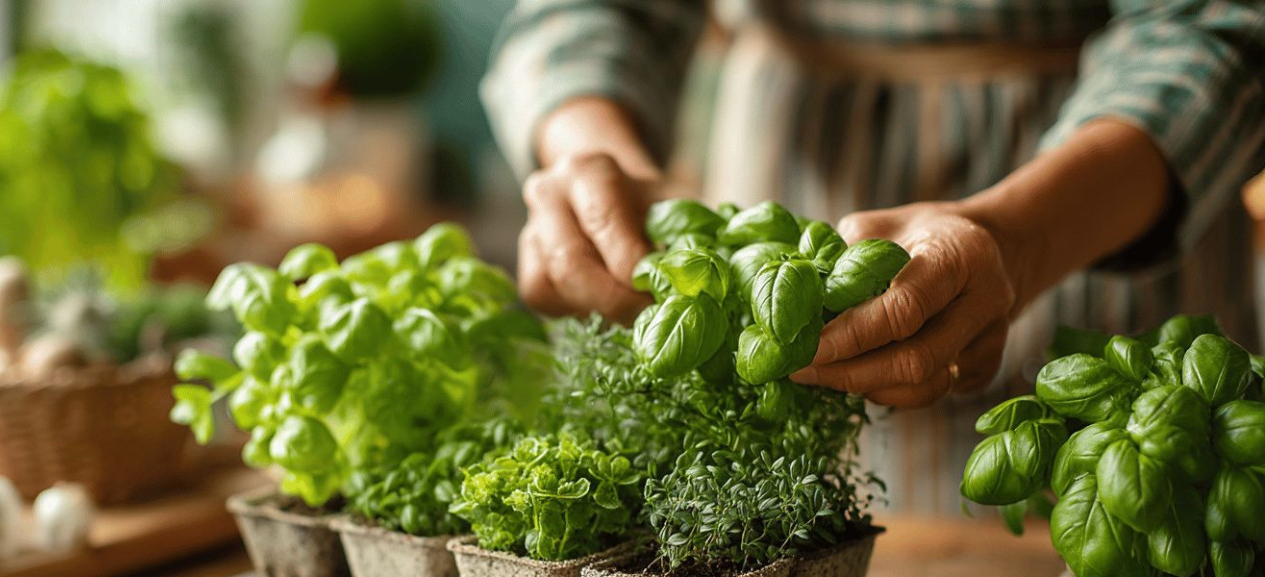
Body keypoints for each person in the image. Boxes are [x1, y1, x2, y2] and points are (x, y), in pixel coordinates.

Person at [480, 0, 1265, 512]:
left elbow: (1220, 26)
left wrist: (1018, 240)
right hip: (782, 177)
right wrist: (588, 153)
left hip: (1099, 200)